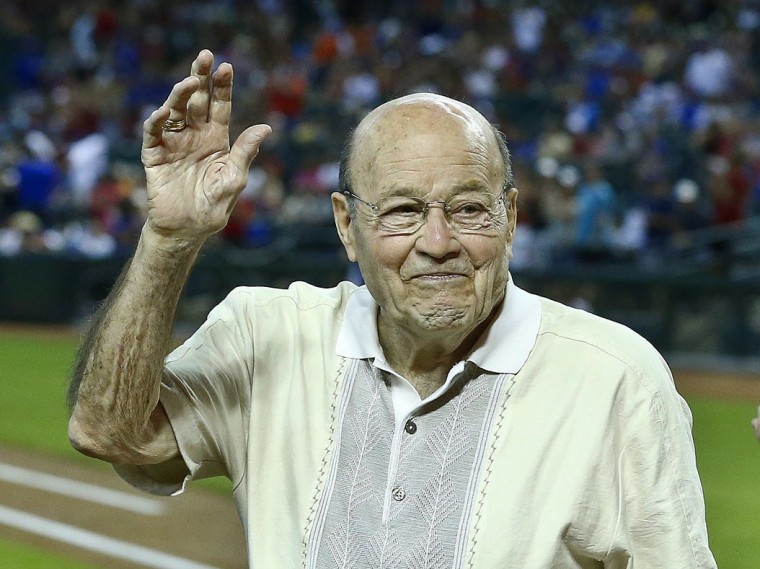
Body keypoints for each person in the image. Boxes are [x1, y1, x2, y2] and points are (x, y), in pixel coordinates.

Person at [67, 50, 717, 568]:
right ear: (347, 226)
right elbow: (109, 431)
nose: (438, 244)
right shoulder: (269, 332)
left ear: (511, 218)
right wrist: (169, 239)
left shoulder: (617, 378)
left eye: (469, 208)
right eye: (404, 211)